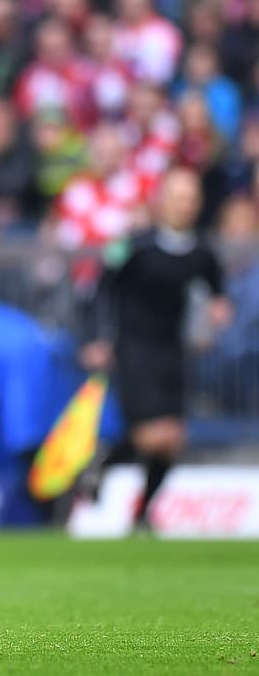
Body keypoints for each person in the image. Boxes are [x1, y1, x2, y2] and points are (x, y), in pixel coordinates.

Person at [79, 167, 232, 530]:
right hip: (134, 348)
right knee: (153, 434)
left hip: (172, 350)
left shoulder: (202, 253)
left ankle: (139, 509)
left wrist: (216, 312)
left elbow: (216, 292)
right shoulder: (134, 245)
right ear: (162, 201)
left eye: (191, 199)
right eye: (178, 197)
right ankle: (105, 468)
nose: (185, 205)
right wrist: (98, 337)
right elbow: (100, 289)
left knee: (171, 440)